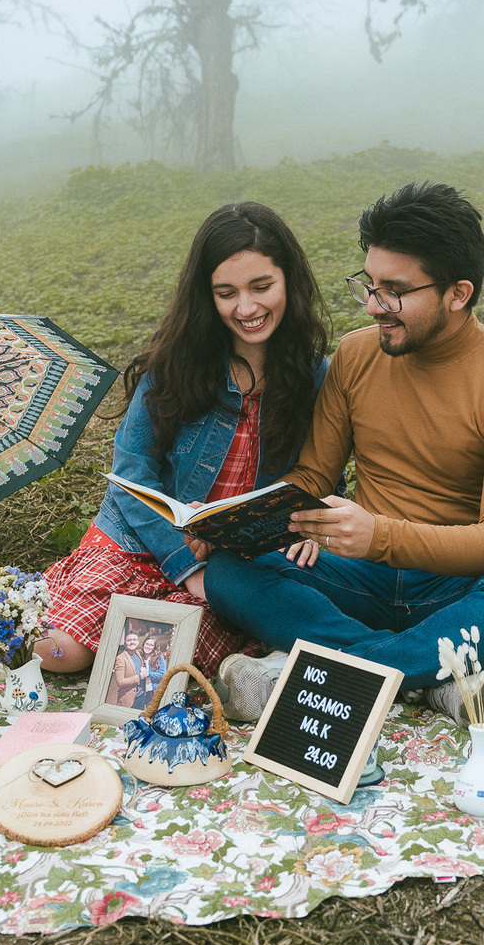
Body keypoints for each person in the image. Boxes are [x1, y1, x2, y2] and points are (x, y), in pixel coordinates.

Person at [204, 181, 484, 722]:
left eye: (394, 291)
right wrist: (247, 522)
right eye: (369, 285)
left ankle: (323, 670)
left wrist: (380, 536)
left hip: (453, 587)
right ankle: (432, 672)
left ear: (457, 293)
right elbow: (313, 476)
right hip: (358, 577)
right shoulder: (355, 355)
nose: (374, 306)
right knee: (228, 572)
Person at [35, 201, 330, 678]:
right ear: (206, 296)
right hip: (140, 539)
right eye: (226, 293)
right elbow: (131, 474)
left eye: (261, 287)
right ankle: (1, 609)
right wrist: (184, 566)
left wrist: (311, 525)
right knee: (61, 651)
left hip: (230, 562)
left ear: (289, 281)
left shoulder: (314, 375)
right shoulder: (176, 364)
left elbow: (320, 474)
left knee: (153, 667)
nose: (246, 308)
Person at [106, 628, 143, 709]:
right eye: (129, 640)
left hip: (141, 696)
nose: (132, 642)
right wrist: (139, 677)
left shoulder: (138, 653)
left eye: (134, 639)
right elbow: (120, 682)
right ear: (125, 643)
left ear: (138, 642)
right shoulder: (120, 658)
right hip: (128, 700)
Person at [133, 633, 168, 711]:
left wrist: (148, 673)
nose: (148, 647)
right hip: (140, 691)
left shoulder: (159, 657)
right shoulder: (139, 655)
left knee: (151, 712)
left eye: (151, 645)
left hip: (152, 691)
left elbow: (162, 674)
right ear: (143, 644)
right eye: (147, 644)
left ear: (154, 647)